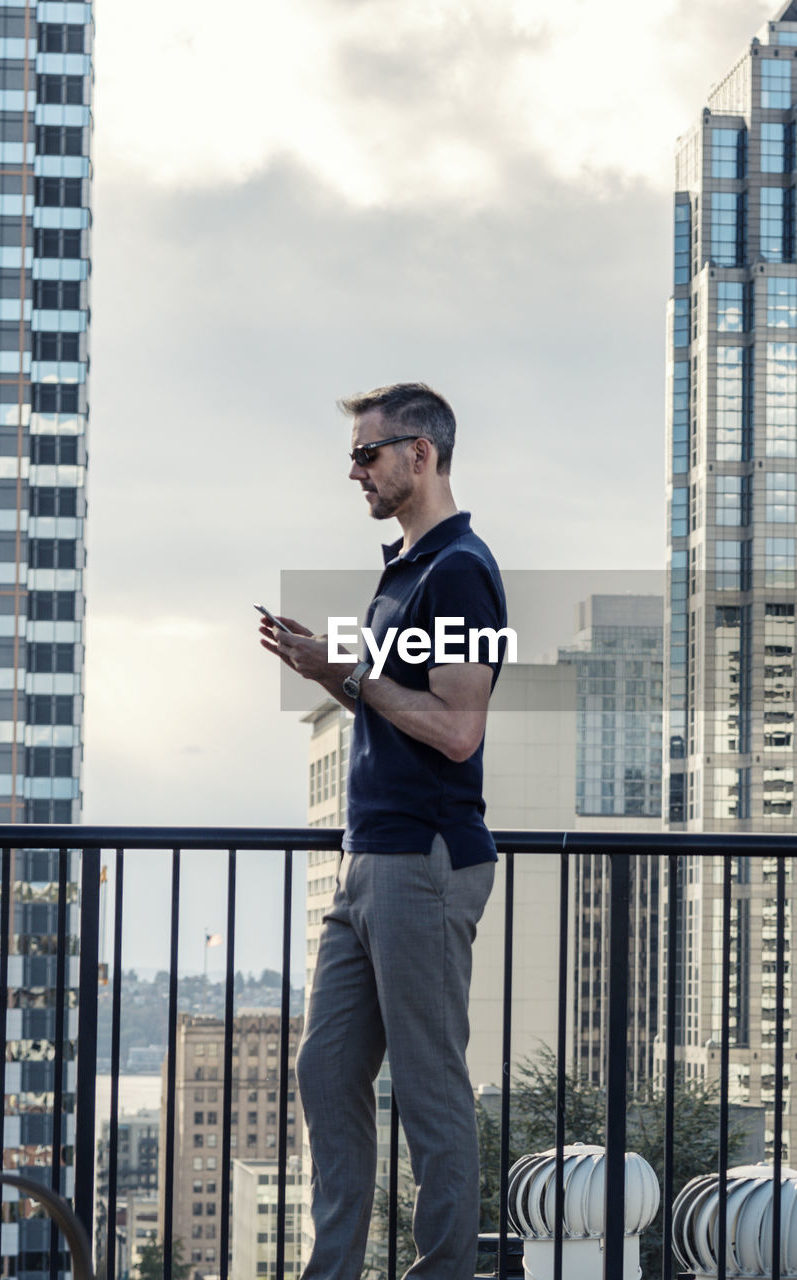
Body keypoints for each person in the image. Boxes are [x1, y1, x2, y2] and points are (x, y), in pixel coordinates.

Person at [258, 382, 508, 1280]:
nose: (354, 470)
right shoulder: (403, 569)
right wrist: (322, 669)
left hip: (424, 861)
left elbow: (456, 728)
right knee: (326, 1074)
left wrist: (349, 674)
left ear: (421, 454)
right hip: (368, 863)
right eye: (352, 456)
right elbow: (393, 708)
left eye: (367, 453)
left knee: (431, 1093)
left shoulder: (460, 570)